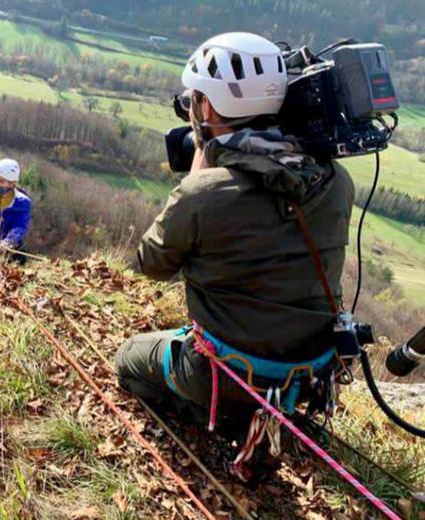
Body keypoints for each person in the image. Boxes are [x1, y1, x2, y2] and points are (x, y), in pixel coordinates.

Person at [113, 33, 354, 480]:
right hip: (309, 373)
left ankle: (236, 420)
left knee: (128, 359)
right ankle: (272, 412)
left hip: (225, 373)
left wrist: (195, 180)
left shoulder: (204, 194)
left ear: (206, 107)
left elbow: (150, 263)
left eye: (194, 99)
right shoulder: (335, 181)